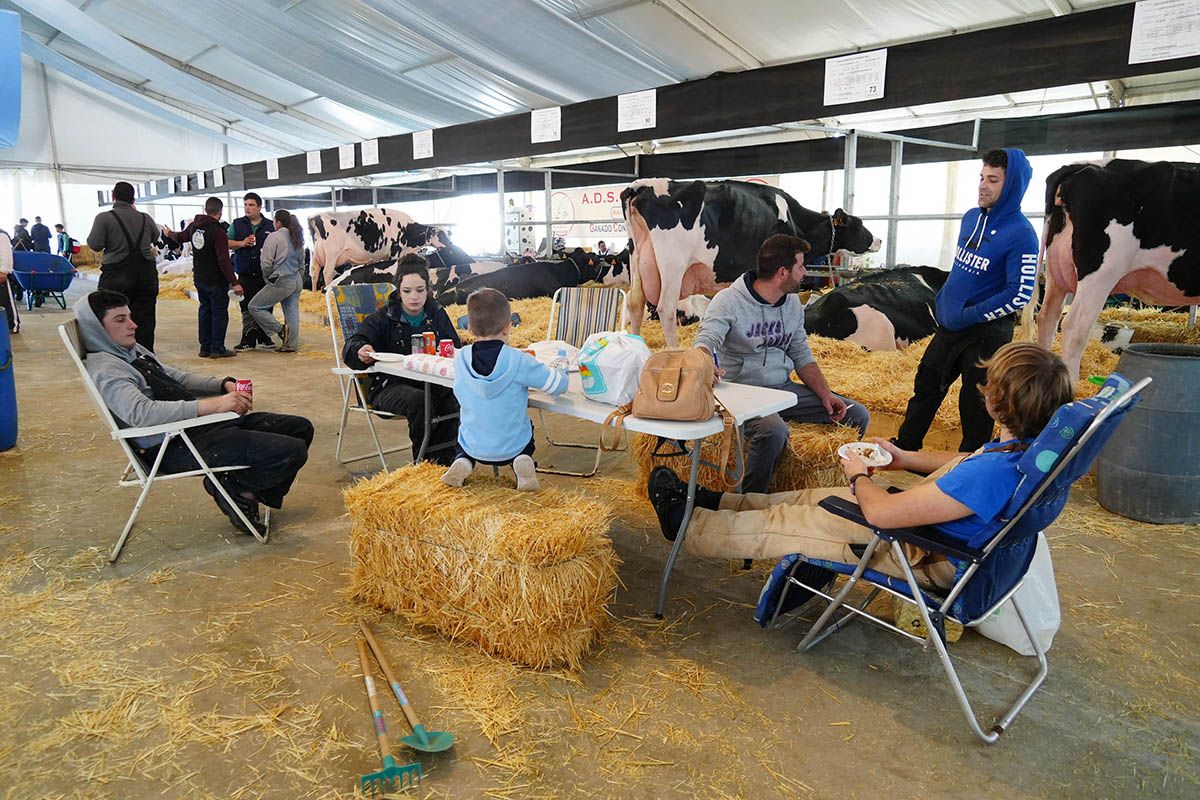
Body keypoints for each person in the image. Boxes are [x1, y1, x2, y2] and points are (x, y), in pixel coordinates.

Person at [648, 342, 1073, 589]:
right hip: (924, 535)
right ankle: (714, 501)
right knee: (806, 496)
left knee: (784, 521)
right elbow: (968, 462)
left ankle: (684, 524)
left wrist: (856, 474)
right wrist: (904, 459)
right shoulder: (1019, 453)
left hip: (908, 550)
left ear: (996, 402)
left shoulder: (992, 475)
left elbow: (880, 513)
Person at [73, 290, 313, 533]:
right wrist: (215, 405)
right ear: (97, 328)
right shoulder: (107, 369)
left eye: (130, 316)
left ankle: (246, 492)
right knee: (291, 451)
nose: (132, 325)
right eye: (120, 319)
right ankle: (235, 488)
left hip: (194, 430)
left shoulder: (132, 351)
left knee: (300, 428)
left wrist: (221, 384)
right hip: (170, 446)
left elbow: (177, 378)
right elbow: (140, 413)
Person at [691, 233, 870, 494]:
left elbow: (802, 356)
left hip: (782, 389)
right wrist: (705, 364)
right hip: (742, 393)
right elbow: (705, 341)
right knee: (773, 431)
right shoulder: (728, 301)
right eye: (801, 266)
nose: (806, 272)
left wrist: (825, 395)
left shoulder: (793, 306)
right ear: (783, 272)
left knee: (857, 414)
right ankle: (752, 502)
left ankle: (841, 490)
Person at [894, 148, 1038, 454]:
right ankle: (904, 451)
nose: (983, 185)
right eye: (982, 177)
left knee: (975, 406)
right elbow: (962, 270)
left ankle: (968, 465)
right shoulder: (971, 218)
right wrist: (945, 302)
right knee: (926, 387)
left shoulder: (1022, 234)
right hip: (950, 325)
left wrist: (970, 314)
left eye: (994, 180)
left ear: (1010, 186)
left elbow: (1019, 293)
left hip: (986, 332)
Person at [442, 289, 568, 491]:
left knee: (465, 432)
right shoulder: (519, 360)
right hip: (512, 446)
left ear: (470, 329)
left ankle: (463, 461)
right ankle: (522, 460)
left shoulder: (461, 359)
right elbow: (557, 386)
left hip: (473, 445)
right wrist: (562, 371)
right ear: (508, 327)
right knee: (526, 430)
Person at [342, 255, 462, 465]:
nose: (413, 297)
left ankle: (443, 461)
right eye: (407, 291)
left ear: (428, 289)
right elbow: (354, 343)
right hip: (390, 386)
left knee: (458, 397)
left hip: (433, 382)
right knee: (420, 402)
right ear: (398, 290)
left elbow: (453, 346)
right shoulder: (384, 317)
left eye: (420, 290)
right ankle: (424, 464)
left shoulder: (437, 314)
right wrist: (361, 350)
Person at [87, 182, 163, 351]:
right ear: (133, 198)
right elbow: (156, 236)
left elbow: (95, 244)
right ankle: (145, 358)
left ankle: (117, 357)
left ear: (114, 196)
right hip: (146, 274)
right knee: (145, 318)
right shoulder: (145, 218)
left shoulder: (104, 218)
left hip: (116, 276)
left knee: (113, 317)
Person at [177, 197, 242, 359]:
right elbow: (223, 260)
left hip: (200, 277)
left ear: (206, 210)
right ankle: (217, 348)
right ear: (220, 213)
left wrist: (169, 233)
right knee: (219, 313)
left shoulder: (194, 227)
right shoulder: (218, 232)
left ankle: (204, 347)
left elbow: (181, 237)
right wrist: (235, 282)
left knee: (204, 310)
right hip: (216, 280)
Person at [248, 209, 304, 353]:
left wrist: (268, 278)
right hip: (296, 278)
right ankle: (290, 345)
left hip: (282, 278)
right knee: (292, 312)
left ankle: (279, 330)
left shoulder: (274, 237)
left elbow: (266, 263)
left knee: (254, 306)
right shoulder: (296, 236)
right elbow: (302, 262)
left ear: (277, 222)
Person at [228, 192, 275, 350]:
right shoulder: (237, 224)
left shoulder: (270, 225)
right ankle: (248, 339)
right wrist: (241, 243)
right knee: (246, 306)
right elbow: (226, 243)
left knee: (265, 305)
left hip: (265, 273)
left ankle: (264, 337)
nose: (247, 208)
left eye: (251, 205)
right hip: (245, 272)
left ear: (259, 207)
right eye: (245, 204)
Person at [0, 228, 16, 333]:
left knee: (6, 301)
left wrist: (3, 271)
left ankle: (12, 325)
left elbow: (6, 255)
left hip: (1, 274)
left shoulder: (1, 235)